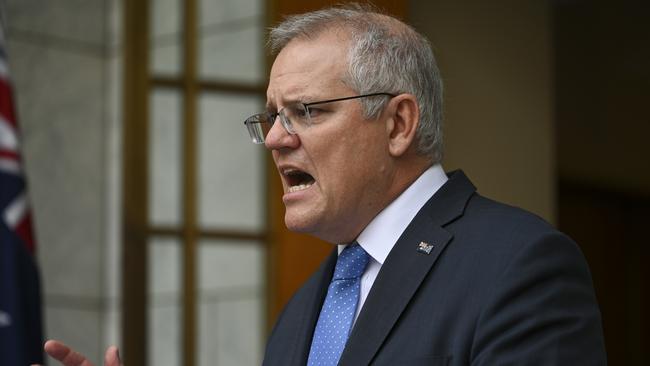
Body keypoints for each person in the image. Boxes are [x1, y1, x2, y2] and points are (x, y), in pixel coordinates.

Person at [40, 3, 606, 366]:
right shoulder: (304, 310)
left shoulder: (519, 264)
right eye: (271, 117)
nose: (276, 139)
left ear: (398, 124)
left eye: (306, 111)